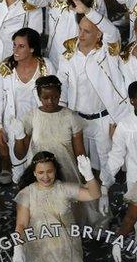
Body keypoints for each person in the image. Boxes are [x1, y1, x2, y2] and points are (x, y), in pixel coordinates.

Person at [13, 152, 99, 262]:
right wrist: (17, 246)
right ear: (34, 173)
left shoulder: (63, 189)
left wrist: (89, 176)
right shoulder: (27, 194)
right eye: (41, 172)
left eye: (49, 172)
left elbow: (94, 194)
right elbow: (21, 224)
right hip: (42, 255)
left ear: (55, 171)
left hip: (68, 253)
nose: (46, 176)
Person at [55, 1, 126, 214]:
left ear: (99, 34)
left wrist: (88, 11)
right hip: (78, 119)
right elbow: (63, 86)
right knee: (81, 162)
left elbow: (112, 31)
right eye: (80, 30)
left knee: (106, 164)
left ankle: (104, 199)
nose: (82, 35)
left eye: (87, 31)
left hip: (103, 119)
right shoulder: (68, 54)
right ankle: (85, 206)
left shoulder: (108, 52)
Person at [15, 75, 99, 226]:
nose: (50, 101)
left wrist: (86, 174)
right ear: (39, 97)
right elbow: (20, 154)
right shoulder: (31, 117)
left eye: (54, 97)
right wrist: (18, 136)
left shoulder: (70, 117)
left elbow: (79, 150)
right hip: (43, 174)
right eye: (45, 97)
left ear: (60, 94)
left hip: (67, 171)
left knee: (67, 213)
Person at [0, 27, 55, 184]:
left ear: (32, 48)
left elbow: (55, 93)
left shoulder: (45, 66)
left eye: (21, 46)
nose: (15, 50)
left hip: (38, 121)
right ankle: (7, 165)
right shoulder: (5, 67)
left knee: (39, 162)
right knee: (17, 167)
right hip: (13, 122)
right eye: (14, 45)